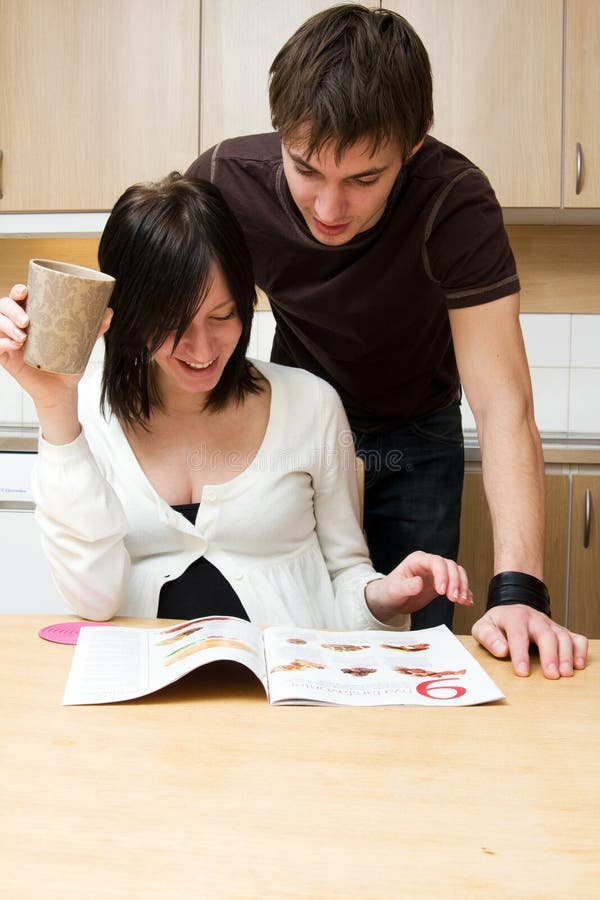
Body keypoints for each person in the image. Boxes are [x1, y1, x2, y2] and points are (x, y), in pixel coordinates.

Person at [186, 4, 588, 678]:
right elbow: (145, 292)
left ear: (414, 144)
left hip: (416, 440)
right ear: (281, 132)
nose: (328, 208)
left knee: (412, 652)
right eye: (307, 169)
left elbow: (503, 404)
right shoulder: (227, 180)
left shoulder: (454, 203)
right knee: (296, 639)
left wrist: (519, 592)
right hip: (297, 439)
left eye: (364, 179)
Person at [0, 174, 473, 629]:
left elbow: (344, 577)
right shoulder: (83, 412)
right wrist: (55, 408)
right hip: (145, 703)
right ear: (127, 317)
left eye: (223, 316)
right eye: (172, 325)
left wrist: (385, 597)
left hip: (285, 695)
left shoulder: (311, 404)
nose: (203, 350)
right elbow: (94, 601)